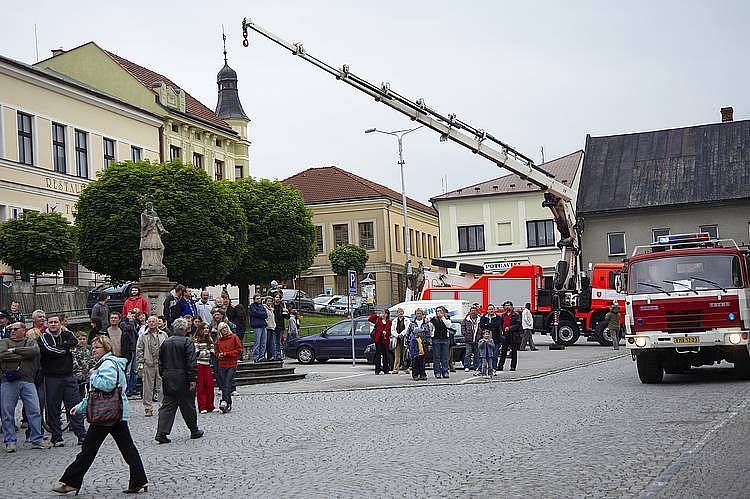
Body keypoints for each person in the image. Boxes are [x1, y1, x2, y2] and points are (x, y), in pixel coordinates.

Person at [53, 335, 148, 495]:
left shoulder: (107, 365)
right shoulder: (107, 364)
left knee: (88, 449)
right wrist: (81, 407)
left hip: (106, 414)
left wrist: (93, 374)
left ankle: (71, 482)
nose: (93, 350)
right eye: (93, 347)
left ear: (106, 348)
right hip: (115, 412)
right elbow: (95, 394)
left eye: (97, 347)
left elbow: (107, 386)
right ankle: (139, 480)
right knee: (127, 448)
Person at [38, 314, 86, 447]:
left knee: (75, 406)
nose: (53, 324)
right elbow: (49, 351)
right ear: (47, 324)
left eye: (55, 322)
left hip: (69, 376)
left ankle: (81, 434)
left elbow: (74, 341)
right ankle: (57, 437)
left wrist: (62, 348)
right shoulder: (43, 337)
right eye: (50, 322)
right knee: (53, 408)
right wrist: (65, 348)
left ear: (60, 323)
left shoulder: (67, 333)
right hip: (51, 378)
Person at [0, 322, 48, 452]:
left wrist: (15, 350)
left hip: (28, 380)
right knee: (7, 412)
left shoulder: (30, 341)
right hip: (8, 381)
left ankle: (37, 439)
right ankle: (10, 441)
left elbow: (34, 351)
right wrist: (24, 355)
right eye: (11, 329)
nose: (12, 331)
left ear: (23, 330)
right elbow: (2, 354)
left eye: (16, 329)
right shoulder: (4, 341)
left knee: (35, 410)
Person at [155, 318, 203, 444]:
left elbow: (160, 362)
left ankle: (161, 432)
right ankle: (194, 430)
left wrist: (163, 374)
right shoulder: (187, 342)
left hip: (168, 377)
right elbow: (191, 362)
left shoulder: (166, 342)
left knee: (167, 406)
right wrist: (192, 379)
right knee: (188, 406)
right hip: (183, 378)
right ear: (184, 329)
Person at [135, 316, 167, 417]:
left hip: (161, 364)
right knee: (147, 388)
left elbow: (167, 348)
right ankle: (148, 408)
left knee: (161, 387)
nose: (152, 323)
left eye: (154, 321)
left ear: (158, 323)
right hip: (148, 363)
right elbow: (139, 349)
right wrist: (141, 362)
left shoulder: (164, 334)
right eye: (150, 321)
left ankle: (162, 407)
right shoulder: (143, 335)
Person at [215, 322, 242, 413]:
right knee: (223, 384)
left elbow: (239, 350)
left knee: (227, 382)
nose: (224, 330)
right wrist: (219, 355)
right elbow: (216, 352)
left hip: (231, 363)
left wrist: (227, 354)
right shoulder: (219, 340)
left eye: (225, 328)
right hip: (222, 364)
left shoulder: (234, 337)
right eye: (222, 329)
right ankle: (228, 402)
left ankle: (224, 401)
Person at [193, 324, 215, 414]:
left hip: (207, 364)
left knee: (210, 385)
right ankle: (202, 406)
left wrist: (206, 352)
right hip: (199, 364)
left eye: (207, 328)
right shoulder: (196, 339)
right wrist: (206, 352)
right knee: (201, 386)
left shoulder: (209, 339)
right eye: (204, 328)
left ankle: (210, 405)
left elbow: (212, 352)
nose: (206, 330)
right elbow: (196, 352)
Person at [497, 301, 522, 371]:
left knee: (514, 351)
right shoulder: (503, 315)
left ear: (511, 306)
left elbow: (518, 324)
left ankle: (513, 366)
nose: (507, 307)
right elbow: (501, 324)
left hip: (513, 335)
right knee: (503, 352)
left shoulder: (516, 314)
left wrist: (510, 328)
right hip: (505, 335)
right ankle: (500, 366)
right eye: (506, 305)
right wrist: (501, 331)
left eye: (509, 305)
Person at [430, 307, 453, 379]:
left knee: (445, 357)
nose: (438, 312)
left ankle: (445, 371)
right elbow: (431, 328)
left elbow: (448, 325)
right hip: (436, 339)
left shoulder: (447, 318)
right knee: (436, 357)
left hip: (445, 339)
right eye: (437, 311)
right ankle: (437, 372)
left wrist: (443, 317)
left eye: (440, 311)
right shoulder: (433, 319)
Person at [368, 309, 392, 375]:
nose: (384, 315)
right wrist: (377, 315)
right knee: (378, 355)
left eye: (385, 313)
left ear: (387, 315)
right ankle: (377, 370)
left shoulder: (389, 322)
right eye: (383, 313)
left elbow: (390, 331)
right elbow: (370, 319)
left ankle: (386, 369)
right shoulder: (378, 320)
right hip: (378, 340)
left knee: (385, 355)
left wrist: (386, 332)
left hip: (385, 340)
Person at [480, 304, 502, 374]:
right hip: (485, 340)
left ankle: (494, 369)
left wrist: (488, 325)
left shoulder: (498, 317)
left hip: (495, 339)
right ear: (487, 310)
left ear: (494, 310)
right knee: (485, 356)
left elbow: (497, 325)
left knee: (494, 355)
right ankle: (483, 370)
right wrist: (490, 325)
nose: (491, 310)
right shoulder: (483, 317)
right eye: (489, 309)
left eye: (492, 309)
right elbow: (482, 326)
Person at [71, 332, 93, 400]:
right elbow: (74, 363)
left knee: (86, 393)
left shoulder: (88, 350)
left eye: (84, 339)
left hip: (87, 375)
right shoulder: (73, 350)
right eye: (80, 339)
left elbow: (90, 361)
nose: (82, 341)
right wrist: (80, 373)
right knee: (77, 394)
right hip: (77, 376)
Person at [248, 294, 268, 363]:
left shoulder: (262, 306)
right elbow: (255, 313)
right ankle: (256, 357)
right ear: (254, 299)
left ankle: (262, 356)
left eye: (259, 298)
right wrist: (260, 313)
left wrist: (259, 313)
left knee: (263, 342)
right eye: (257, 298)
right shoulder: (252, 306)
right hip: (257, 326)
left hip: (263, 325)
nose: (258, 300)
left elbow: (265, 314)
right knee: (257, 342)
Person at [461, 306, 481, 372]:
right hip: (468, 340)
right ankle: (467, 366)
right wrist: (465, 334)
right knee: (468, 353)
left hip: (477, 340)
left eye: (474, 311)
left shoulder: (480, 320)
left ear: (477, 312)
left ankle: (476, 366)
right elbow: (463, 328)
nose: (473, 312)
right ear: (470, 312)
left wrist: (480, 336)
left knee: (477, 354)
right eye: (472, 311)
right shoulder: (466, 320)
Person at [390, 308, 410, 374]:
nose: (400, 313)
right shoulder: (394, 321)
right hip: (397, 339)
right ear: (397, 313)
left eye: (401, 312)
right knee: (397, 355)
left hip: (404, 339)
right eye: (399, 312)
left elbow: (407, 328)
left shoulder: (407, 320)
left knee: (405, 355)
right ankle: (396, 369)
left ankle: (406, 368)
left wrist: (402, 334)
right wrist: (397, 335)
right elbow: (392, 330)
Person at [271, 294, 287, 361]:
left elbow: (286, 317)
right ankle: (274, 355)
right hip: (273, 326)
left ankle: (278, 355)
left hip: (280, 326)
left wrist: (286, 312)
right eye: (276, 297)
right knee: (274, 341)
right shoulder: (272, 306)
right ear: (274, 298)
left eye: (279, 297)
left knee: (279, 341)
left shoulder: (282, 306)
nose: (278, 299)